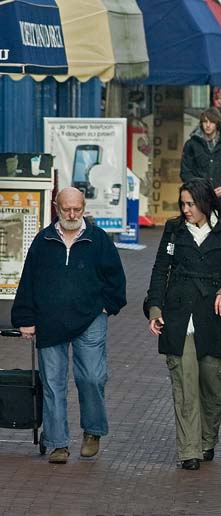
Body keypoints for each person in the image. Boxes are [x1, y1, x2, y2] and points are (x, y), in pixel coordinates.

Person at [145, 179, 221, 470]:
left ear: (205, 202)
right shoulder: (174, 230)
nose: (186, 210)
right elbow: (161, 269)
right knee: (184, 387)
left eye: (191, 204)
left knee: (212, 388)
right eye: (182, 204)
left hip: (213, 317)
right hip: (178, 314)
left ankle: (207, 440)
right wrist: (154, 307)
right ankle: (189, 450)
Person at [12, 187, 127, 464]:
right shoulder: (44, 240)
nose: (73, 214)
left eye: (77, 209)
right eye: (66, 209)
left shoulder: (97, 239)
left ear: (84, 206)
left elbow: (116, 278)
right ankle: (58, 443)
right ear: (56, 207)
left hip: (90, 319)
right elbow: (28, 280)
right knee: (53, 383)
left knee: (92, 377)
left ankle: (93, 430)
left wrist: (107, 306)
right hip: (50, 320)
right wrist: (25, 319)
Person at [180, 107, 221, 215]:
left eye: (211, 122)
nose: (208, 125)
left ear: (217, 123)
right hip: (198, 201)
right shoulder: (191, 144)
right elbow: (185, 173)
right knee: (199, 231)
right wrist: (199, 190)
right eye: (205, 122)